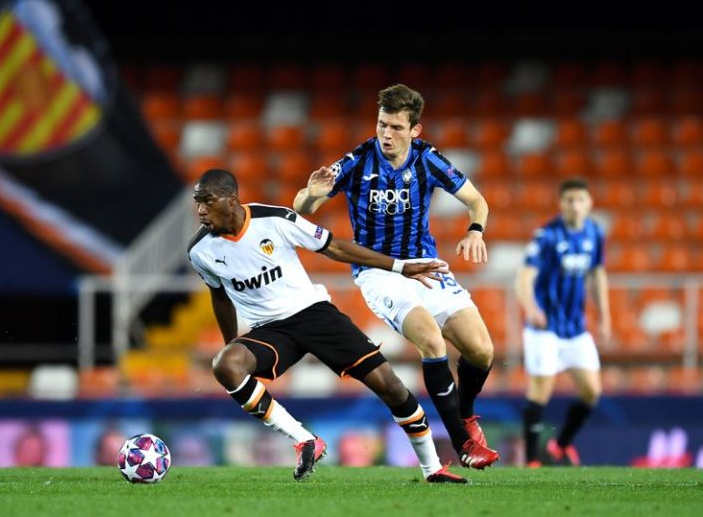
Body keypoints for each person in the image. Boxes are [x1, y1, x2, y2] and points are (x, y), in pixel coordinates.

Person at [188, 168, 487, 482]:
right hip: (270, 330)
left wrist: (400, 267)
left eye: (208, 201)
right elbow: (219, 296)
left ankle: (432, 468)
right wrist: (232, 343)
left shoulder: (275, 219)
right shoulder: (199, 251)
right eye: (198, 203)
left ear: (232, 199)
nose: (201, 210)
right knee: (226, 364)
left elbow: (335, 247)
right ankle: (305, 440)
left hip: (314, 314)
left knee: (390, 386)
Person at [293, 84, 499, 469]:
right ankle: (463, 444)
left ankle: (466, 415)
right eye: (381, 125)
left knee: (482, 351)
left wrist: (475, 230)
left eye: (396, 128)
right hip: (379, 270)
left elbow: (477, 200)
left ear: (414, 130)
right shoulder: (356, 161)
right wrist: (311, 193)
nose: (386, 134)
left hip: (424, 264)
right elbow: (302, 207)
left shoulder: (428, 159)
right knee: (432, 341)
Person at [514, 178, 611, 466]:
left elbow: (597, 274)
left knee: (591, 392)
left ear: (589, 203)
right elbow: (523, 278)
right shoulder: (547, 236)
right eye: (570, 200)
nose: (575, 206)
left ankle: (560, 445)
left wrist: (605, 316)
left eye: (580, 200)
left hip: (576, 329)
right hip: (544, 329)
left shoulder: (594, 232)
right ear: (561, 203)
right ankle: (532, 459)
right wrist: (531, 308)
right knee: (540, 393)